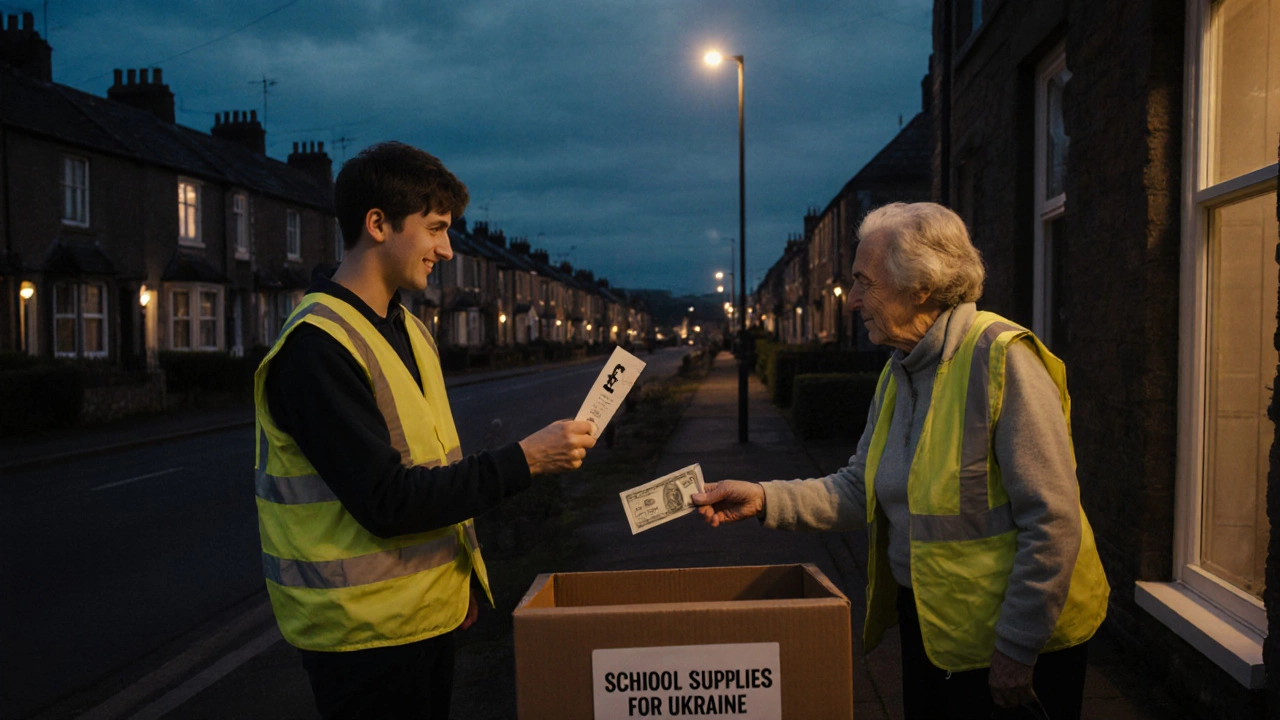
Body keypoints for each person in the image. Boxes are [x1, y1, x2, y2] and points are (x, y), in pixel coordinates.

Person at [692, 202, 1109, 720]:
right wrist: (761, 497)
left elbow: (1053, 519)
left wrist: (1017, 647)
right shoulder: (901, 371)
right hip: (938, 634)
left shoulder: (1002, 360)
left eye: (865, 282)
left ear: (922, 287)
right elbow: (857, 487)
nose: (852, 301)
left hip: (1017, 645)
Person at [253, 141, 597, 719]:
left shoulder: (408, 328)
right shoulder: (315, 349)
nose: (446, 248)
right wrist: (527, 459)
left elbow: (433, 466)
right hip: (361, 639)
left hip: (420, 617)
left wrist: (453, 587)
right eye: (435, 228)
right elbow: (387, 499)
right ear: (378, 224)